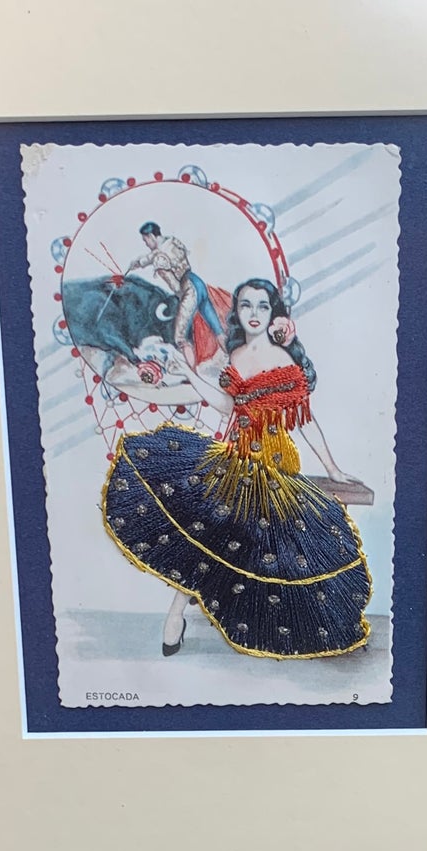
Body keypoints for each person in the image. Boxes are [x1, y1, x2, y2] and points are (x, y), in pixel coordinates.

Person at [101, 277, 371, 659]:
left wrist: (332, 468)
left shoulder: (284, 359)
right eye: (246, 305)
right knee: (204, 521)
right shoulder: (237, 355)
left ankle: (235, 620)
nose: (254, 314)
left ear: (273, 313)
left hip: (274, 468)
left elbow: (304, 420)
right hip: (236, 459)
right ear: (236, 312)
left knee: (253, 535)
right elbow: (229, 406)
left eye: (262, 306)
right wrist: (190, 373)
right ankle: (175, 615)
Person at [123, 221, 227, 367]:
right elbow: (153, 255)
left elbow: (175, 286)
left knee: (180, 338)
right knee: (217, 329)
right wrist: (139, 262)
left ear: (151, 236)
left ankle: (193, 374)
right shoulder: (172, 241)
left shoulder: (160, 259)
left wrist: (180, 297)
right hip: (198, 283)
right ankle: (234, 365)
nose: (145, 243)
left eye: (145, 240)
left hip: (189, 290)